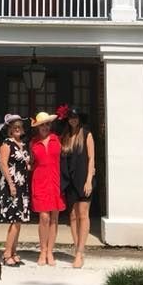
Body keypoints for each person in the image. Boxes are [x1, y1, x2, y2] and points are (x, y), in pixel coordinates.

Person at [59, 105, 96, 269]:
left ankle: (80, 252)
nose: (73, 119)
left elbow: (91, 158)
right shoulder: (65, 136)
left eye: (75, 117)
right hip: (69, 181)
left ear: (79, 119)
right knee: (72, 216)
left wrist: (89, 179)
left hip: (83, 179)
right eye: (70, 117)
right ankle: (77, 249)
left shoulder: (86, 134)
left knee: (83, 214)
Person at [29, 111, 64, 266]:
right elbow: (30, 162)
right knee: (44, 217)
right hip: (40, 182)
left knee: (54, 218)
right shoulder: (33, 143)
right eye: (42, 125)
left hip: (55, 182)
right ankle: (42, 251)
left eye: (47, 124)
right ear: (38, 127)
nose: (45, 127)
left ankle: (50, 251)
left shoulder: (58, 140)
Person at [0, 113, 31, 267]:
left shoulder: (22, 145)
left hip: (22, 186)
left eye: (19, 126)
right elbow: (3, 165)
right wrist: (11, 184)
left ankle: (14, 252)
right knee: (15, 221)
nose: (17, 129)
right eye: (14, 127)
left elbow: (24, 165)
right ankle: (6, 254)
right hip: (12, 186)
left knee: (19, 221)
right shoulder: (6, 144)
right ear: (9, 129)